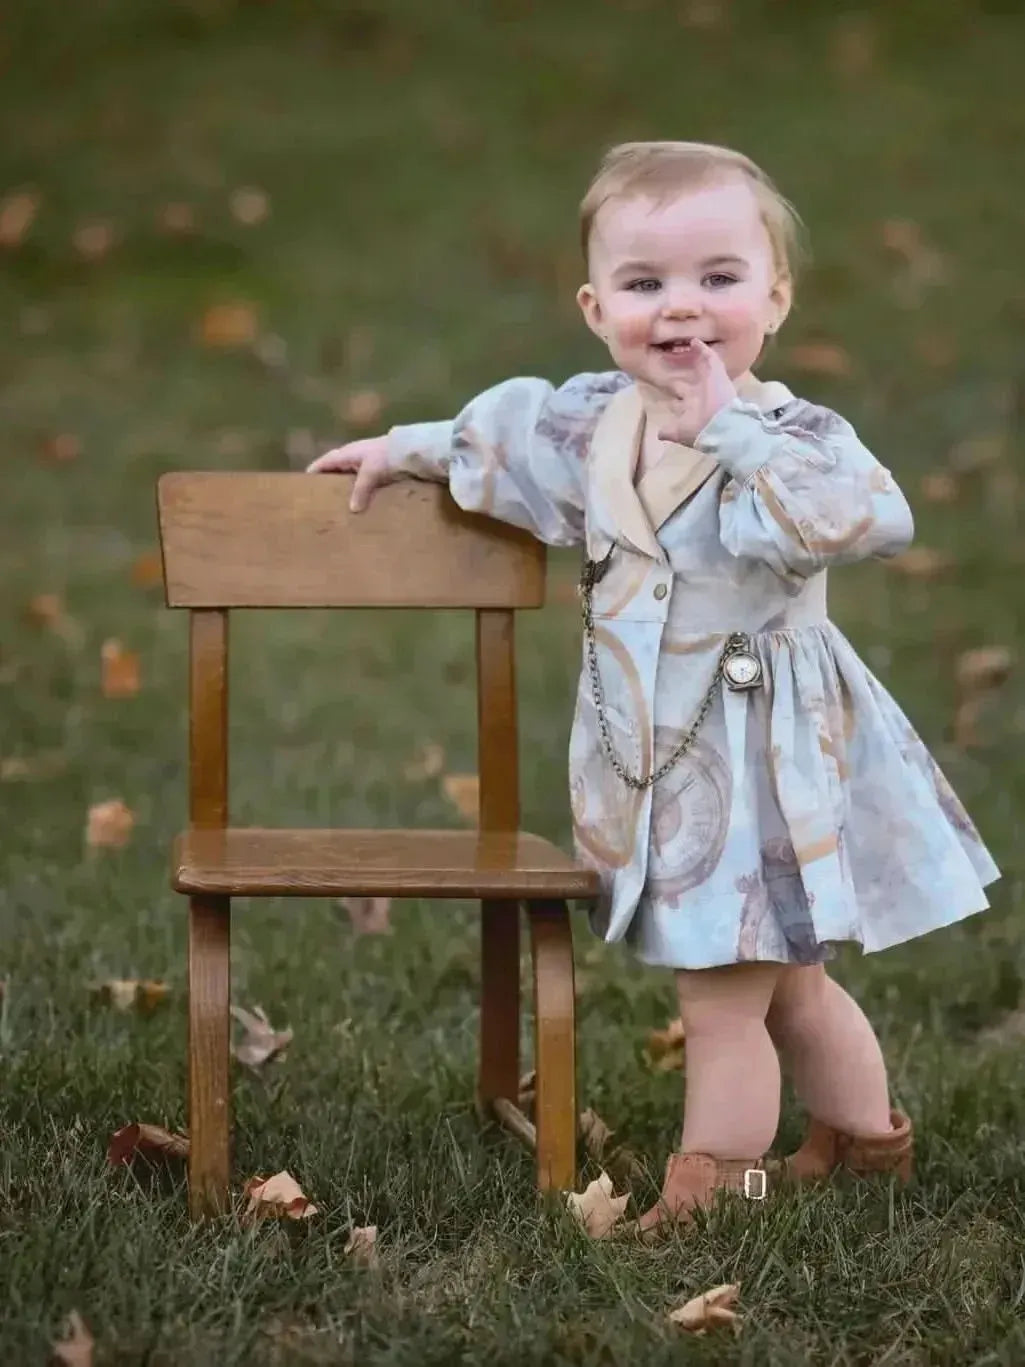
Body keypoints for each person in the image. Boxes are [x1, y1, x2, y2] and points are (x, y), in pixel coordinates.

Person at [308, 141, 999, 1235]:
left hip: (762, 754)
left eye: (717, 277)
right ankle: (866, 1142)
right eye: (644, 284)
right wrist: (407, 447)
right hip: (660, 758)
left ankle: (717, 1187)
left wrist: (726, 435)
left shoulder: (791, 435)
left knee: (721, 993)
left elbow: (854, 516)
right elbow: (508, 441)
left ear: (774, 293)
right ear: (596, 306)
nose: (682, 308)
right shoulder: (597, 423)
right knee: (793, 983)